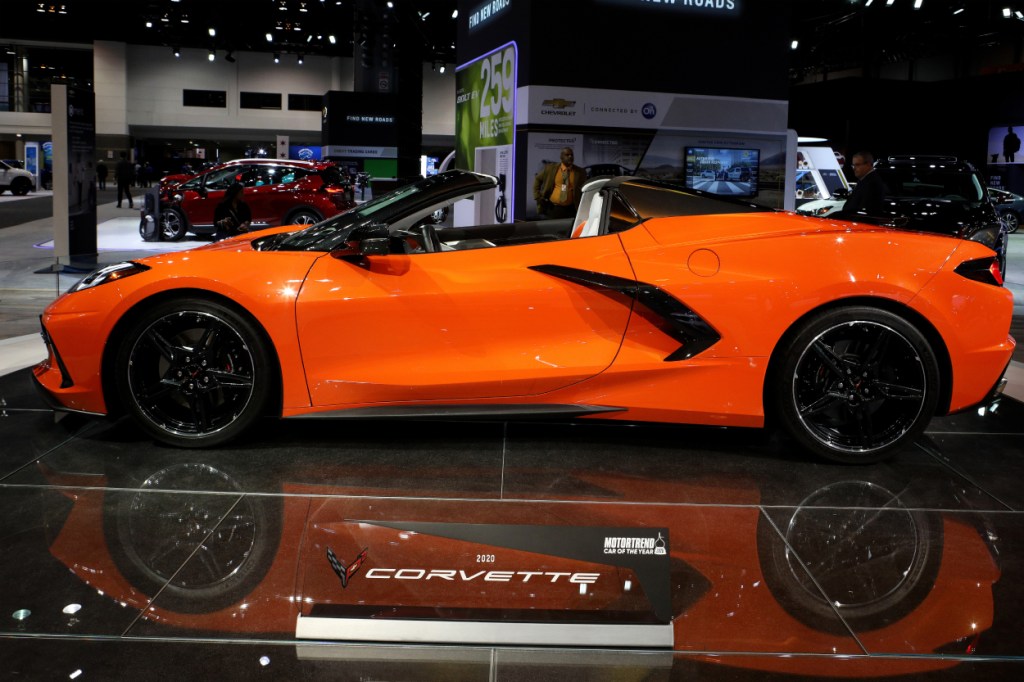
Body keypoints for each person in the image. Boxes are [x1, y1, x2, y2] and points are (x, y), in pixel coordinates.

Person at [533, 147, 587, 219]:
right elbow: (537, 179)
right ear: (561, 157)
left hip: (571, 209)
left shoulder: (580, 172)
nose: (570, 157)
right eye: (567, 155)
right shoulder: (551, 169)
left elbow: (585, 188)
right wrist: (537, 196)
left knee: (569, 229)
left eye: (571, 155)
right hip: (553, 208)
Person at [842, 151, 888, 217]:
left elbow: (864, 209)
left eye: (857, 165)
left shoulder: (872, 183)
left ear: (868, 164)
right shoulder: (863, 180)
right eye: (853, 165)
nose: (854, 168)